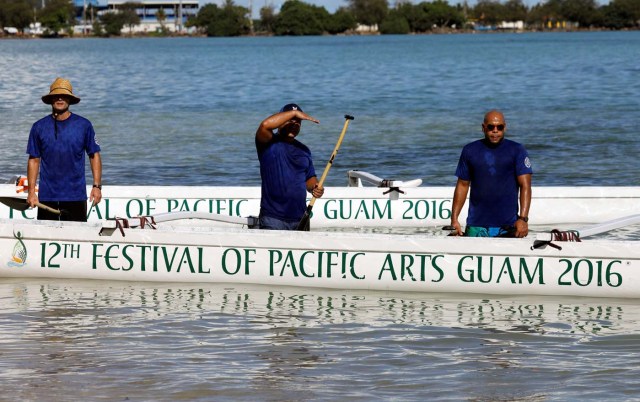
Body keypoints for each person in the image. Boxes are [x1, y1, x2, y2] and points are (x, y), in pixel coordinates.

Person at [26, 77, 102, 222]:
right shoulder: (38, 127)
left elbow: (94, 155)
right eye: (56, 95)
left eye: (64, 95)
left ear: (70, 99)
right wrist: (31, 192)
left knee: (76, 241)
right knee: (46, 240)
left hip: (75, 196)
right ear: (51, 99)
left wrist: (97, 186)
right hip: (47, 197)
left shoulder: (84, 125)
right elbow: (34, 160)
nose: (60, 98)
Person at [450, 110, 532, 238]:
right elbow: (462, 185)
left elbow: (525, 186)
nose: (495, 130)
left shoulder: (517, 150)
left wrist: (523, 218)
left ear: (504, 127)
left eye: (499, 127)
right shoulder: (470, 150)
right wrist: (454, 219)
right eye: (491, 127)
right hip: (476, 225)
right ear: (483, 128)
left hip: (508, 226)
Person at [255, 103, 324, 230]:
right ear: (280, 121)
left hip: (300, 219)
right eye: (290, 120)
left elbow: (310, 178)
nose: (294, 124)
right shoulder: (268, 142)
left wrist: (315, 187)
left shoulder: (304, 150)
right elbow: (265, 125)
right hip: (273, 218)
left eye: (298, 122)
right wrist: (294, 113)